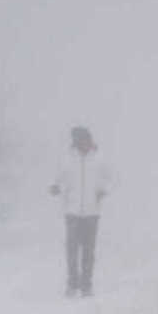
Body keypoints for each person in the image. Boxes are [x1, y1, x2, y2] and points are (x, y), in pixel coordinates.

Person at [49, 126, 112, 297]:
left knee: (88, 251)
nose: (80, 143)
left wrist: (103, 190)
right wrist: (57, 188)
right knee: (71, 249)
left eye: (82, 139)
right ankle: (72, 284)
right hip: (72, 211)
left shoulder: (99, 159)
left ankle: (86, 285)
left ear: (89, 139)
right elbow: (60, 180)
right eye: (76, 140)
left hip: (92, 212)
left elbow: (111, 179)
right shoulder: (67, 160)